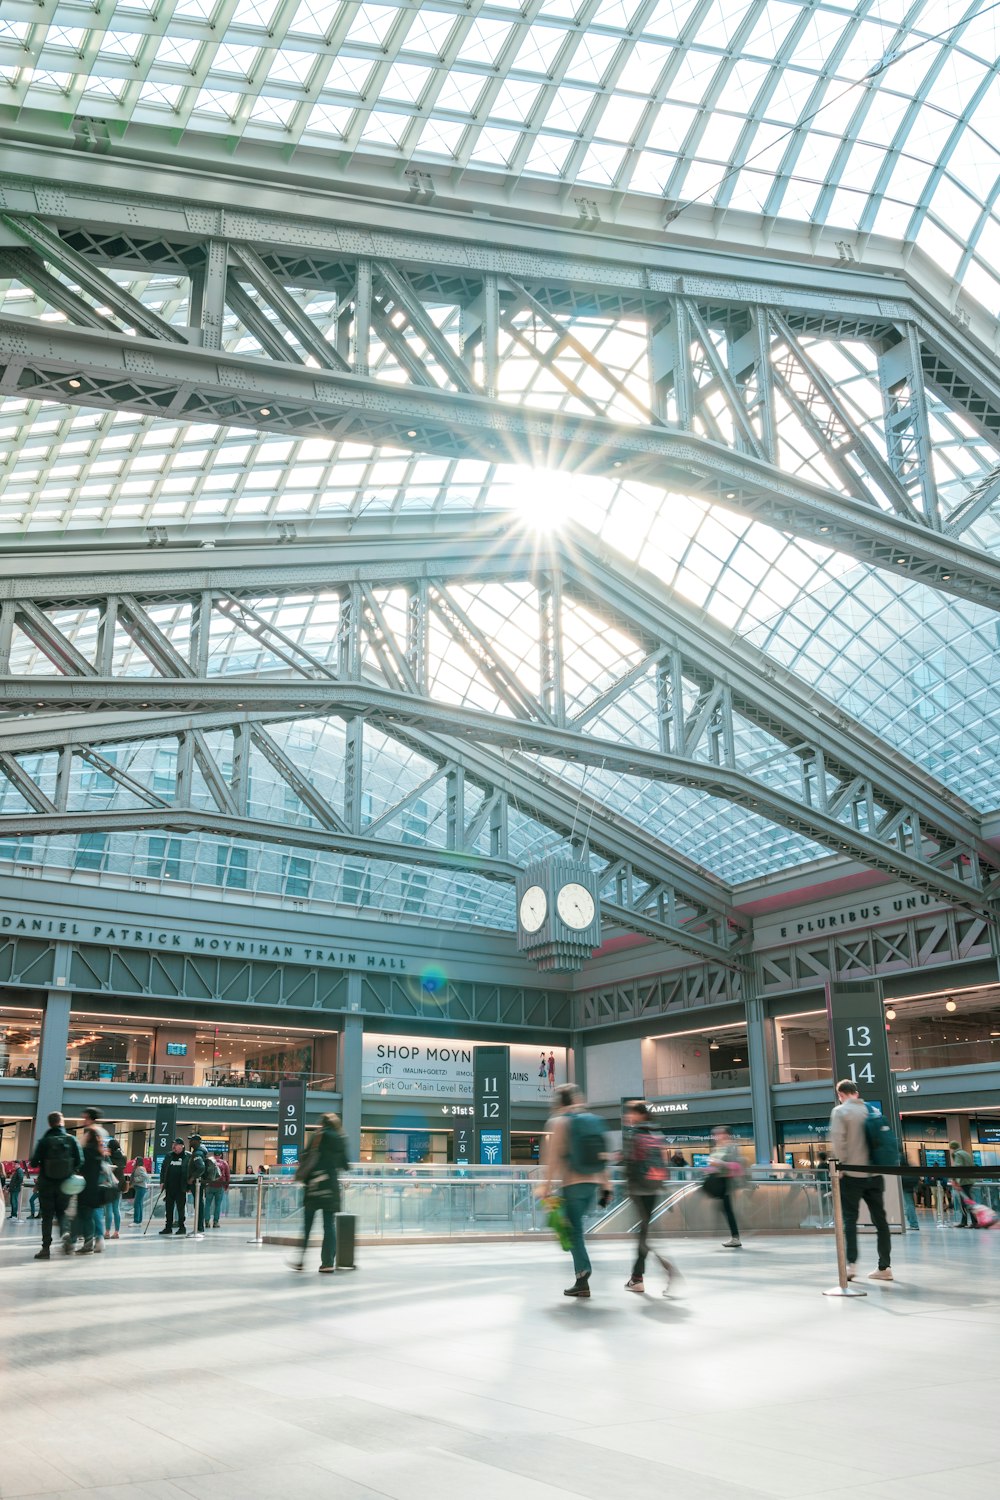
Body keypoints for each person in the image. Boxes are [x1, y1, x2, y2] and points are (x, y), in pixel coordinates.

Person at [540, 1083, 611, 1299]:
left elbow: (553, 1158)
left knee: (572, 1231)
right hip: (592, 1184)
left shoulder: (560, 1123)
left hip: (572, 1184)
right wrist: (606, 1185)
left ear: (560, 1102)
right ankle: (581, 1277)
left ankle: (582, 1274)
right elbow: (602, 1156)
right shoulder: (592, 1121)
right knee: (575, 1228)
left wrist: (546, 1185)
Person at [829, 1079, 892, 1282]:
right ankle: (885, 1267)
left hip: (852, 1174)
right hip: (874, 1174)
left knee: (850, 1220)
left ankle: (851, 1265)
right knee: (881, 1221)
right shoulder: (872, 1110)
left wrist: (841, 1167)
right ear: (856, 1093)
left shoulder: (840, 1111)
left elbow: (839, 1142)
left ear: (840, 1094)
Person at [621, 1100, 676, 1295]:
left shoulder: (635, 1135)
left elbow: (630, 1163)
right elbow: (663, 1162)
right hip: (653, 1188)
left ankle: (668, 1270)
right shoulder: (656, 1134)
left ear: (639, 1115)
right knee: (644, 1234)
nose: (629, 1116)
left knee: (645, 1237)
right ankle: (637, 1278)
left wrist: (628, 1188)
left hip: (639, 1189)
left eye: (631, 1113)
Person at [294, 1112, 348, 1273]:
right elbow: (346, 1165)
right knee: (329, 1225)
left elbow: (305, 1157)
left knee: (307, 1225)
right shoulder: (340, 1139)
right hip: (331, 1187)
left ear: (322, 1123)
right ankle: (327, 1263)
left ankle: (301, 1260)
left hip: (314, 1187)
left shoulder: (317, 1136)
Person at [30, 1114, 83, 1260]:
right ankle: (65, 1233)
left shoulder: (44, 1141)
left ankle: (45, 1249)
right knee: (62, 1212)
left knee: (46, 1216)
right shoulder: (71, 1140)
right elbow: (80, 1161)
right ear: (62, 1122)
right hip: (65, 1185)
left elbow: (33, 1163)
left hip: (46, 1184)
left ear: (49, 1124)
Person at [704, 1126, 744, 1248]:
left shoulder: (732, 1147)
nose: (717, 1136)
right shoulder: (718, 1147)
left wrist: (719, 1163)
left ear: (726, 1134)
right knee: (726, 1209)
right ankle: (735, 1236)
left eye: (719, 1134)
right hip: (719, 1181)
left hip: (726, 1182)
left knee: (727, 1209)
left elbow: (736, 1165)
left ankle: (735, 1237)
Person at [71, 1128, 107, 1254]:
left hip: (84, 1188)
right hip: (94, 1189)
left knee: (84, 1216)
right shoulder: (99, 1153)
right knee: (88, 1216)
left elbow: (78, 1165)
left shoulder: (85, 1151)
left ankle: (85, 1244)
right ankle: (88, 1242)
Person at [159, 1138, 189, 1235]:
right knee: (169, 1208)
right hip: (169, 1187)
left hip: (181, 1187)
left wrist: (189, 1185)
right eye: (173, 1145)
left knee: (180, 1208)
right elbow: (163, 1169)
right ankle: (168, 1227)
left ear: (181, 1146)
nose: (174, 1147)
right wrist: (162, 1181)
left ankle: (181, 1227)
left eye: (176, 1145)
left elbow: (189, 1171)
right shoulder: (169, 1156)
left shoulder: (187, 1157)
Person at [102, 1129, 126, 1240]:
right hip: (119, 1185)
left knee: (108, 1209)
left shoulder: (108, 1157)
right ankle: (116, 1232)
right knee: (116, 1209)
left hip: (109, 1185)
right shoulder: (123, 1157)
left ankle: (107, 1232)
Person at [950, 1141, 977, 1227]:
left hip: (963, 1181)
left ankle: (973, 1221)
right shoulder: (966, 1153)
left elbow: (958, 1167)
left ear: (952, 1147)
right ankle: (966, 1221)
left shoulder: (957, 1154)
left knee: (965, 1202)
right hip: (969, 1180)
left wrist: (954, 1178)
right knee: (966, 1201)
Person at [187, 1133, 208, 1233]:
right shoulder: (198, 1152)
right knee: (199, 1204)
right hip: (198, 1182)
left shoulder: (198, 1153)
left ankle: (199, 1227)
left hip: (197, 1183)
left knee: (198, 1205)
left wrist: (192, 1177)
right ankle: (199, 1226)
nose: (190, 1142)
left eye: (191, 1140)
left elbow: (201, 1167)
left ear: (197, 1142)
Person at [205, 1154, 230, 1228]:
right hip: (220, 1186)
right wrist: (226, 1186)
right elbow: (227, 1175)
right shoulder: (224, 1163)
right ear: (220, 1155)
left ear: (214, 1155)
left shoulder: (209, 1161)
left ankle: (207, 1221)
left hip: (209, 1185)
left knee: (207, 1204)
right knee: (218, 1205)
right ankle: (216, 1222)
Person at [131, 1156, 150, 1226]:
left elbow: (145, 1176)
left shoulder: (140, 1168)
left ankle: (136, 1221)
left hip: (140, 1187)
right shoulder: (139, 1168)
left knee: (137, 1203)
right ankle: (139, 1221)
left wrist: (135, 1179)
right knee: (139, 1204)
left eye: (135, 1160)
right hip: (140, 1187)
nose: (133, 1162)